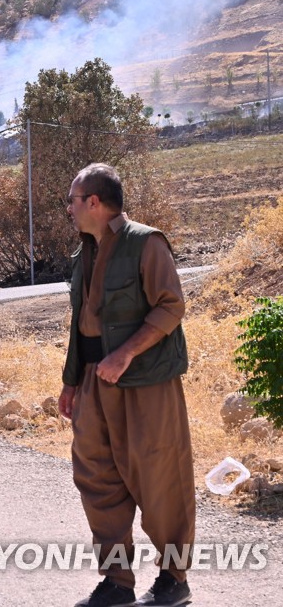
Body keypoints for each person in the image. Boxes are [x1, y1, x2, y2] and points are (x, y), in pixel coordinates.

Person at [60, 164, 194, 607]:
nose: (70, 208)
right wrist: (70, 382)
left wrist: (125, 354)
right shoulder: (85, 253)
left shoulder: (145, 243)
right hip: (94, 383)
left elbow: (170, 306)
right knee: (98, 480)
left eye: (73, 200)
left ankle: (174, 579)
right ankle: (117, 583)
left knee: (160, 478)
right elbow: (81, 325)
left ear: (93, 202)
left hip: (144, 383)